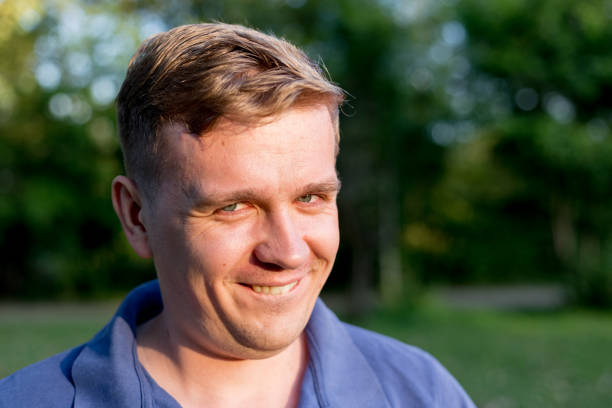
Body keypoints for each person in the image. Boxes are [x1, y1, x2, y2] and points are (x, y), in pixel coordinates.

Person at [0, 23, 476, 407]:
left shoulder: (420, 391)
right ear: (137, 216)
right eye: (233, 207)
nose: (288, 251)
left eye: (310, 198)